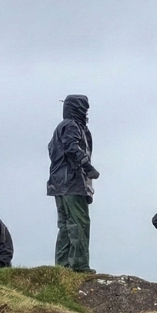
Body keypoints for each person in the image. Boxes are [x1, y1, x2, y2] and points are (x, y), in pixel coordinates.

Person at [47, 94, 98, 273]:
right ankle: (79, 265)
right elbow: (71, 147)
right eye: (85, 109)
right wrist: (87, 166)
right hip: (72, 183)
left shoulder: (62, 127)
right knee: (79, 223)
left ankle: (62, 267)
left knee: (66, 225)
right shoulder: (72, 126)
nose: (86, 113)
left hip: (58, 184)